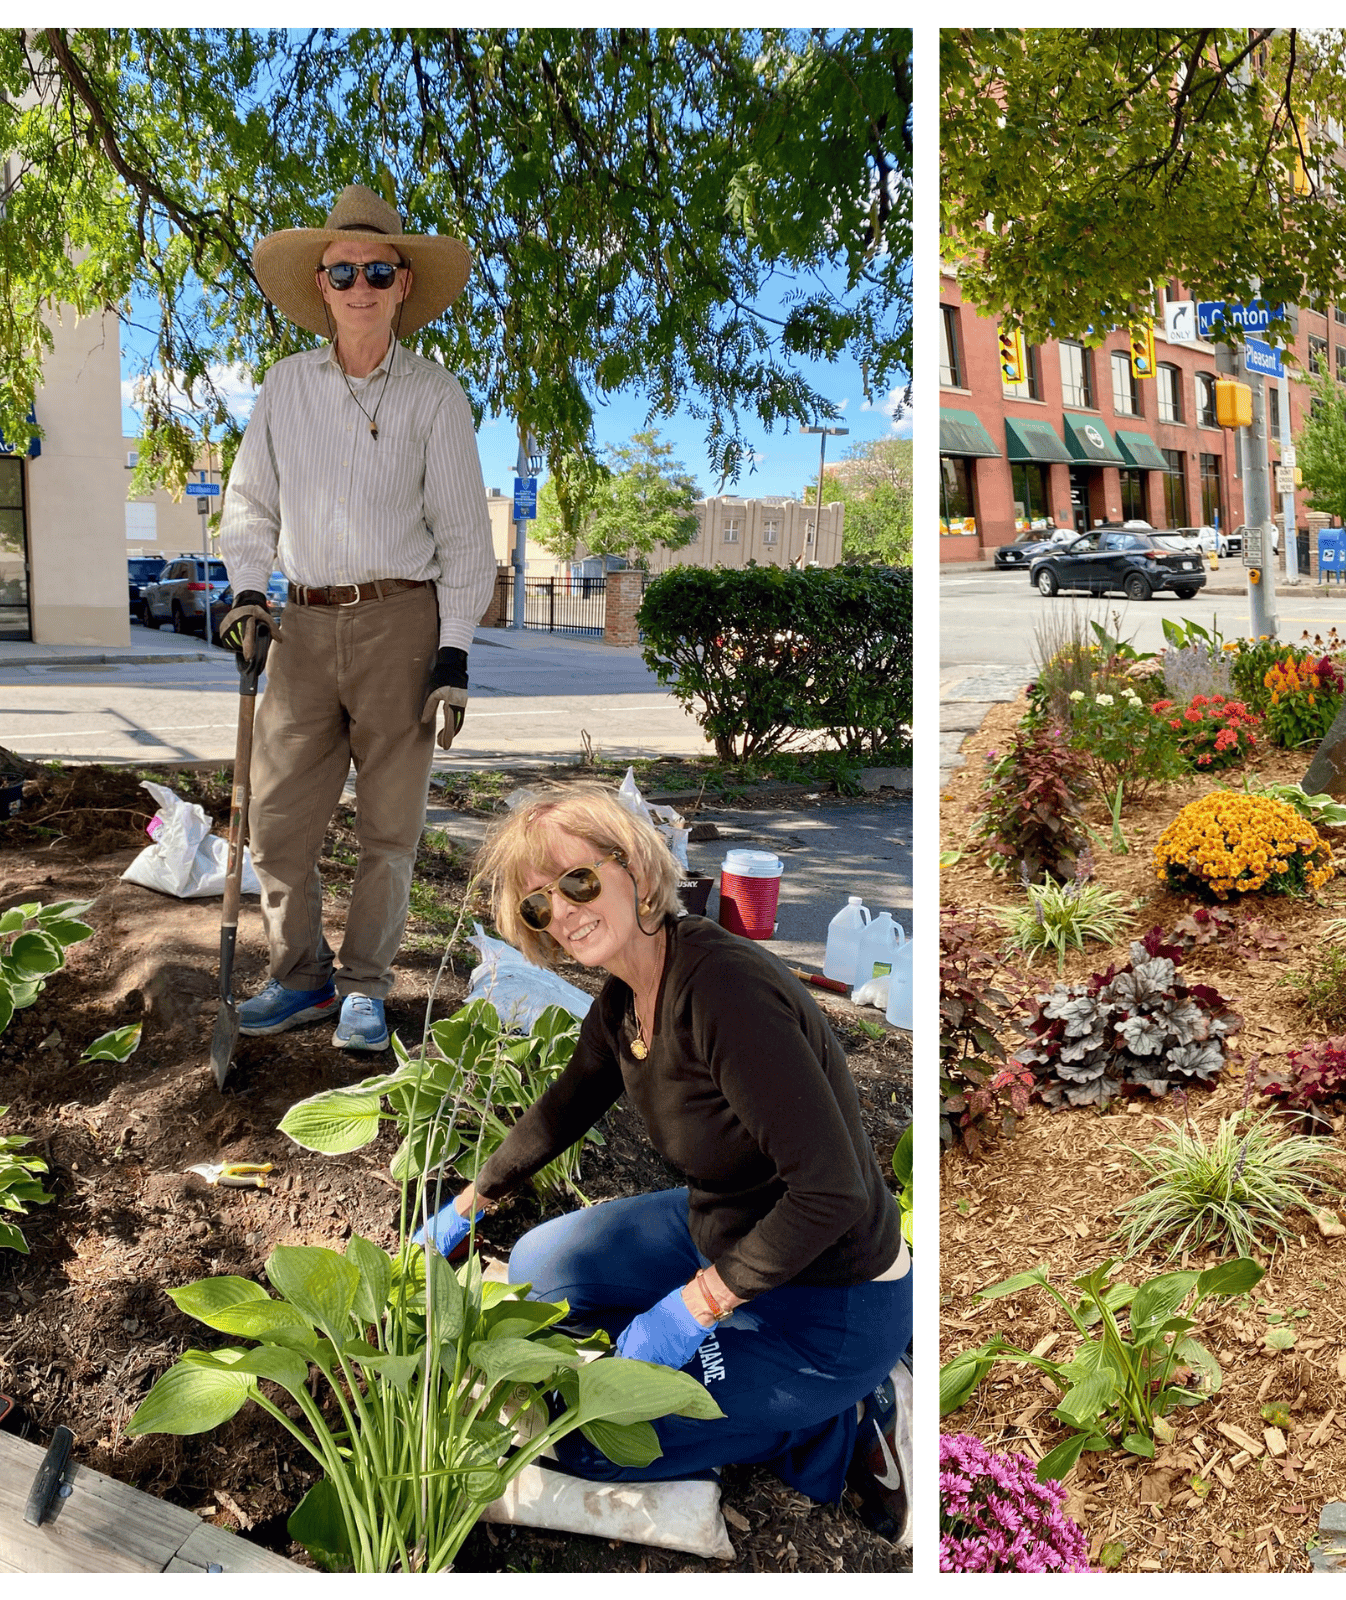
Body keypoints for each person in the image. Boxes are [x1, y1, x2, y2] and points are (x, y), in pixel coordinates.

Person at [412, 786, 914, 1544]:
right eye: (541, 903)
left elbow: (833, 1191)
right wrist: (469, 1204)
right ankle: (738, 1376)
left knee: (597, 1433)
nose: (566, 911)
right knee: (537, 1268)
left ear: (636, 869)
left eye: (578, 880)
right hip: (723, 1223)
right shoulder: (624, 997)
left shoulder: (724, 993)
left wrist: (694, 1307)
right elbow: (566, 1105)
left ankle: (841, 1417)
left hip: (828, 1293)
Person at [217, 186, 492, 1052]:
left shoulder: (436, 396)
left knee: (390, 825)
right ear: (323, 284)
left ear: (403, 283)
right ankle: (300, 976)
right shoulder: (283, 388)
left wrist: (453, 654)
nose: (361, 285)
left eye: (378, 269)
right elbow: (249, 507)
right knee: (277, 817)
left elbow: (463, 537)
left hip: (400, 626)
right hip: (300, 628)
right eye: (344, 271)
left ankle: (368, 988)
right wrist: (249, 591)